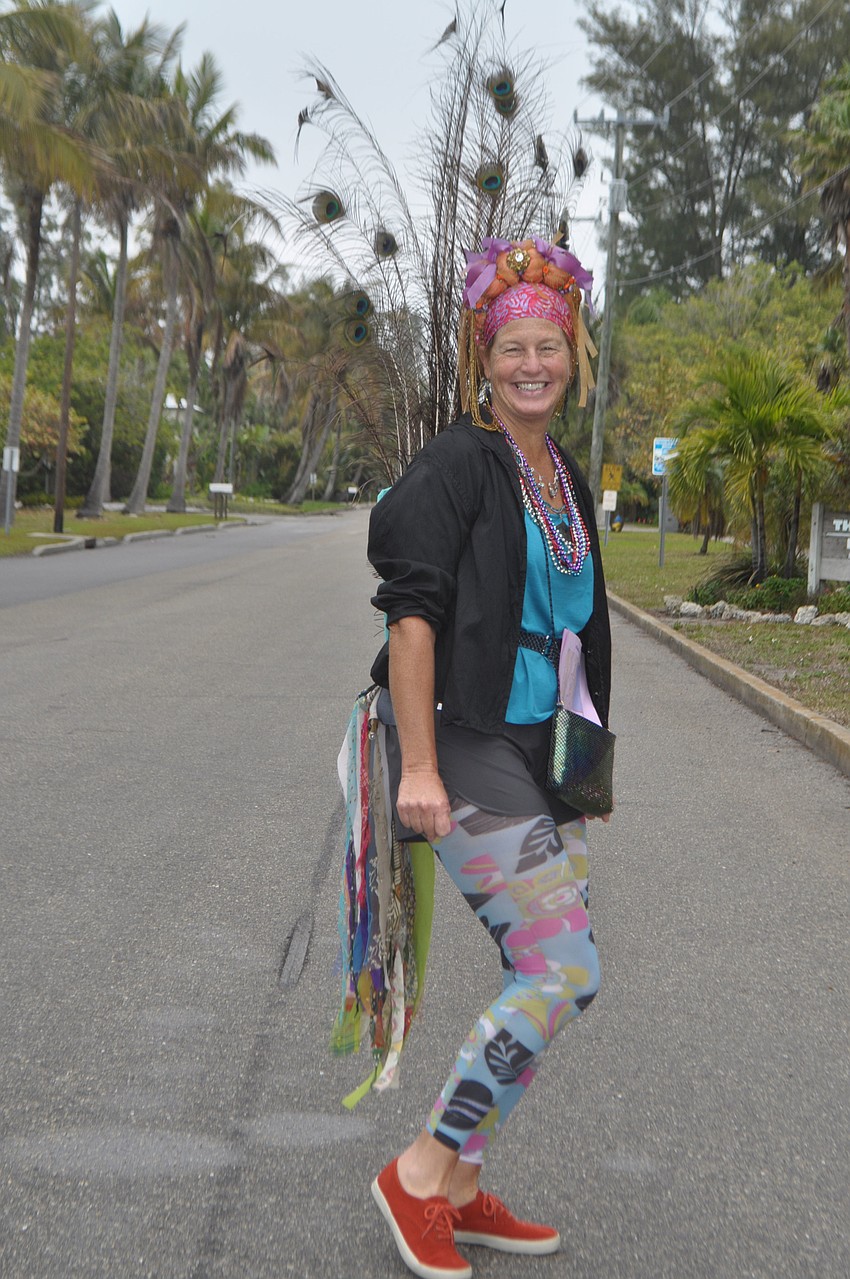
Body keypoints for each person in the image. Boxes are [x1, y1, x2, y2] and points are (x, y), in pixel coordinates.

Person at [363, 236, 612, 1279]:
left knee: (560, 972)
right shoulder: (460, 460)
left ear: (574, 356)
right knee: (559, 965)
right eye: (512, 346)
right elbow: (414, 620)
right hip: (455, 741)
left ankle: (459, 1184)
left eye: (548, 345)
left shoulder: (563, 474)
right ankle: (419, 1172)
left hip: (521, 749)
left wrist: (572, 783)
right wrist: (419, 767)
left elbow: (571, 641)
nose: (531, 364)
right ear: (485, 359)